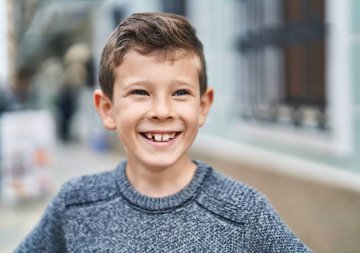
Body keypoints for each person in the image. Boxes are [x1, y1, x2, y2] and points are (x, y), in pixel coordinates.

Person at [15, 12, 312, 252]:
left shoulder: (244, 212)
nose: (162, 110)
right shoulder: (75, 204)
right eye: (141, 92)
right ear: (107, 109)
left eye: (180, 92)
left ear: (203, 106)